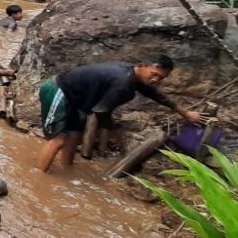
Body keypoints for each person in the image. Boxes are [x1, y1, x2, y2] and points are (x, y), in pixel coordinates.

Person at [37, 55, 203, 172]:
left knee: (74, 136)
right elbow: (101, 110)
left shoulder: (133, 75)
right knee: (58, 140)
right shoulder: (123, 83)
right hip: (58, 89)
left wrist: (184, 113)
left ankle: (66, 170)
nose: (156, 80)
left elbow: (155, 94)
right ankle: (38, 178)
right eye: (154, 74)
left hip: (76, 98)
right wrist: (114, 133)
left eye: (161, 78)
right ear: (142, 65)